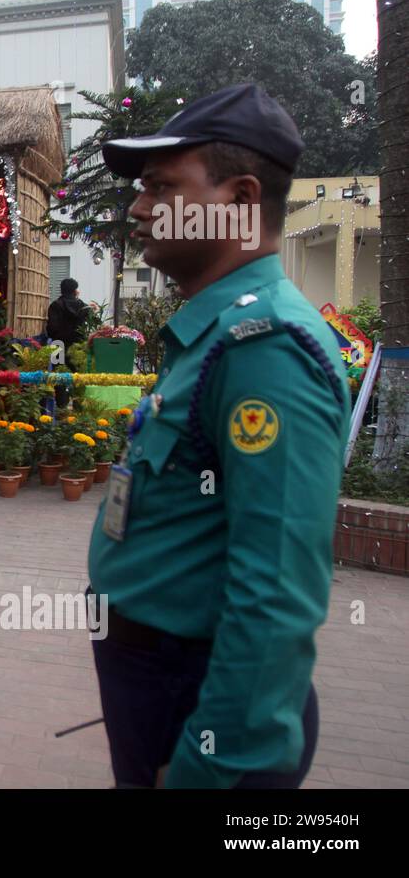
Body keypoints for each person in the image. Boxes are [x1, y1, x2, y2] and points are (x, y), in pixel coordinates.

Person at [88, 83, 350, 788]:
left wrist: (216, 763)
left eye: (163, 187)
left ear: (239, 199)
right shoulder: (219, 328)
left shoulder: (265, 347)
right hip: (160, 685)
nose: (139, 209)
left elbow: (276, 591)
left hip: (199, 706)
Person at [46, 278, 88, 347]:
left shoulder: (56, 305)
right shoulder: (84, 306)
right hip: (79, 346)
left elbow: (52, 328)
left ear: (61, 290)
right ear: (75, 291)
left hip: (60, 346)